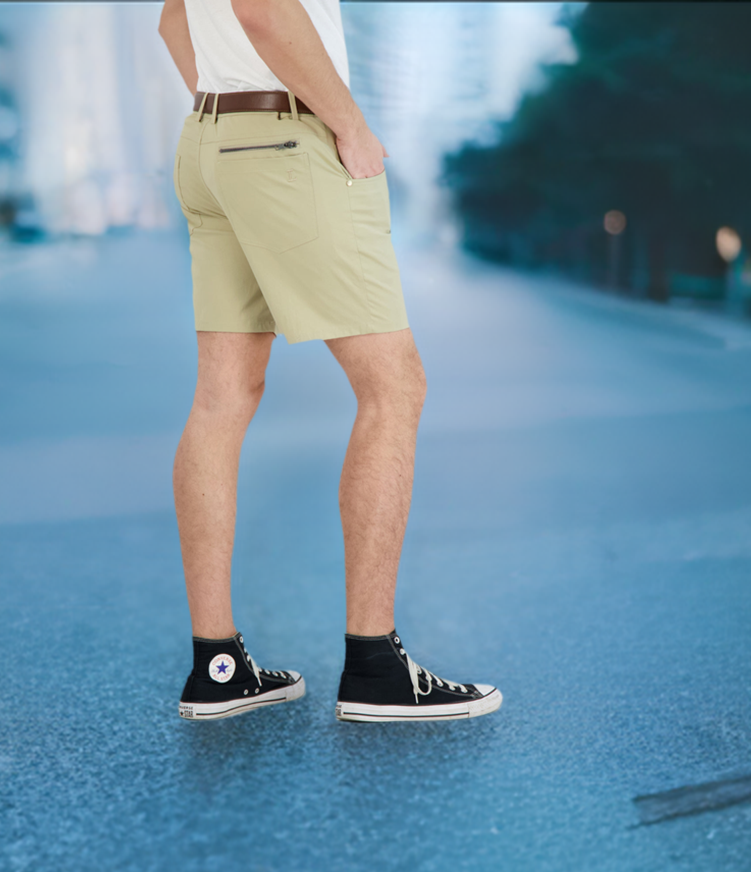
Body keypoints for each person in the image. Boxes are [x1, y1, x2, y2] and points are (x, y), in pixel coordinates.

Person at [159, 0, 502, 722]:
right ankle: (376, 667)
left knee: (222, 396)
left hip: (209, 139)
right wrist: (347, 125)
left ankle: (217, 667)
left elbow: (173, 23)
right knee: (394, 386)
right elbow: (264, 11)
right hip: (284, 139)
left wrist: (226, 114)